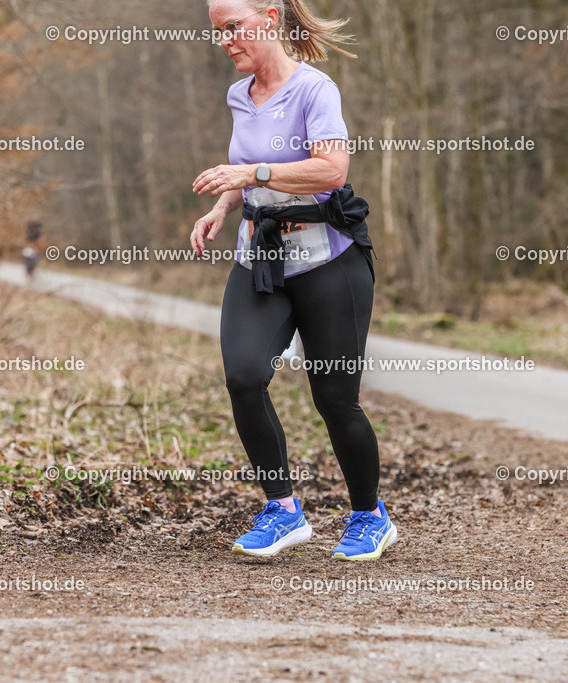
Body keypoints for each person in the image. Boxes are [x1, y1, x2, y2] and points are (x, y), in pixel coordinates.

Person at [191, 0, 397, 561]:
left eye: (233, 27)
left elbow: (331, 170)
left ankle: (369, 516)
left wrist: (251, 172)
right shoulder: (239, 95)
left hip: (330, 263)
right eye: (218, 32)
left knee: (335, 398)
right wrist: (223, 206)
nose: (225, 40)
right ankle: (282, 511)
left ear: (270, 17)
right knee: (243, 375)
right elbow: (249, 169)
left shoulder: (315, 90)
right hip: (261, 259)